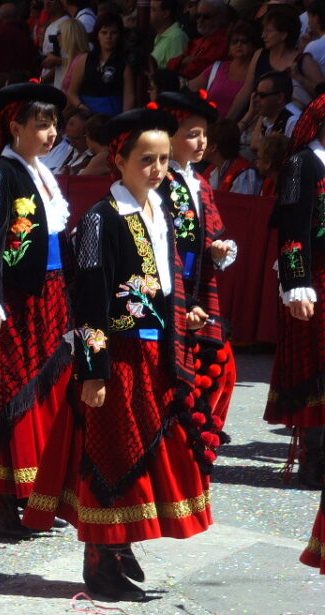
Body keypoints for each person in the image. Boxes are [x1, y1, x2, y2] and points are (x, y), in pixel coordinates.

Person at [24, 107, 218, 600]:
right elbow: (90, 301)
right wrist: (94, 370)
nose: (157, 169)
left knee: (147, 449)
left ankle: (121, 543)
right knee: (110, 456)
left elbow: (166, 283)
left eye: (162, 159)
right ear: (120, 160)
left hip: (157, 355)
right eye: (146, 160)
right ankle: (99, 558)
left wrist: (184, 313)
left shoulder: (161, 211)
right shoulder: (100, 220)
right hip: (119, 357)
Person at [0, 82, 73, 538]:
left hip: (50, 295)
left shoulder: (41, 170)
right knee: (9, 392)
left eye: (54, 124)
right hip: (13, 302)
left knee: (48, 391)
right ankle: (2, 500)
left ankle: (39, 494)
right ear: (15, 126)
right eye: (41, 124)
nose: (51, 133)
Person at [156, 90, 238, 427]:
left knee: (214, 361)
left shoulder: (201, 182)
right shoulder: (160, 180)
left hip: (199, 283)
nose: (202, 141)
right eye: (192, 134)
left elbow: (213, 233)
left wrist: (219, 250)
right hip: (171, 284)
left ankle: (199, 422)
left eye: (204, 134)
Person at [265, 95, 325, 488]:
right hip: (316, 281)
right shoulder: (302, 164)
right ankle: (314, 458)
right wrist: (296, 283)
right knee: (316, 370)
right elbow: (292, 230)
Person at [227, 6, 304, 120]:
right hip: (254, 120)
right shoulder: (259, 55)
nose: (263, 36)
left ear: (283, 34)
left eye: (268, 31)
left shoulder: (302, 60)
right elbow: (245, 91)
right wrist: (229, 120)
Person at [188, 21, 260, 120]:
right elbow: (189, 88)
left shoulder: (258, 72)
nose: (239, 45)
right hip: (210, 124)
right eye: (234, 41)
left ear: (254, 45)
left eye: (244, 41)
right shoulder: (217, 68)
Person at [66, 12, 135, 117]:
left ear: (119, 35)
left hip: (112, 118)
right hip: (86, 117)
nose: (108, 37)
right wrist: (80, 106)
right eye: (104, 32)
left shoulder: (124, 63)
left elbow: (128, 98)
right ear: (97, 35)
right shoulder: (84, 59)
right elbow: (72, 92)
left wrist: (124, 122)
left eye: (113, 33)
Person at [166, 0, 231, 80]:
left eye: (206, 16)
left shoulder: (224, 42)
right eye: (197, 16)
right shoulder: (197, 42)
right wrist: (183, 61)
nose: (200, 20)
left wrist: (182, 64)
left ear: (219, 17)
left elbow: (196, 71)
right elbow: (170, 64)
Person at [0, 2, 41, 76]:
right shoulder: (25, 36)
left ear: (0, 18)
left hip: (0, 82)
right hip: (24, 82)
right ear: (16, 17)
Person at [204, 118, 261, 193]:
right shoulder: (211, 169)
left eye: (203, 142)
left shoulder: (244, 172)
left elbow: (241, 203)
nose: (199, 146)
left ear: (213, 147)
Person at [150, 0, 189, 69]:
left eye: (153, 9)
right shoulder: (160, 35)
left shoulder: (176, 37)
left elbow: (174, 72)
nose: (148, 13)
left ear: (165, 13)